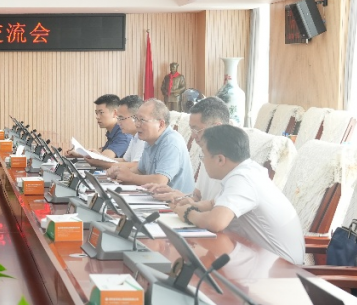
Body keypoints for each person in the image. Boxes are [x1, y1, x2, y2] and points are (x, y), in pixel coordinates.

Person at [172, 125, 304, 264]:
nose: (203, 161)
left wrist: (189, 214)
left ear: (220, 159)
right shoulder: (245, 171)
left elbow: (216, 222)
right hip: (260, 257)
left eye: (203, 155)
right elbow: (213, 204)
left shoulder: (243, 179)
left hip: (280, 268)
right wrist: (194, 205)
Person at [150, 97, 230, 204]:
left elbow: (218, 210)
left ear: (216, 128)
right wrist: (178, 195)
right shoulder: (207, 153)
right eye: (191, 130)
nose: (193, 135)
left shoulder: (233, 162)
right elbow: (198, 198)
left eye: (196, 130)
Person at [111, 98, 194, 193]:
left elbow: (160, 181)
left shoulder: (171, 142)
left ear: (160, 124)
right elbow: (140, 170)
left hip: (175, 201)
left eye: (142, 120)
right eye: (136, 119)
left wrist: (130, 177)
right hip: (155, 197)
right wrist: (118, 173)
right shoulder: (150, 140)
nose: (137, 124)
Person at [73, 94, 131, 160]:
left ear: (115, 113)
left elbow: (104, 158)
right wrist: (78, 154)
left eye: (101, 113)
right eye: (96, 113)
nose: (97, 117)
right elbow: (102, 154)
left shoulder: (123, 134)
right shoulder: (112, 132)